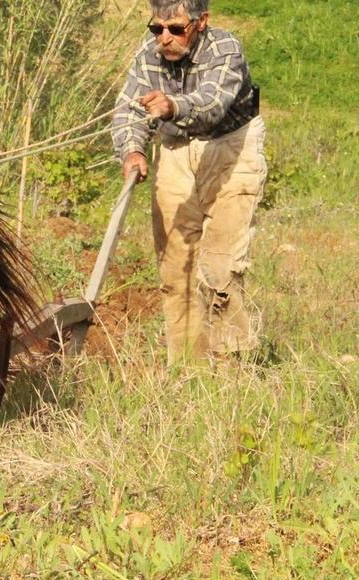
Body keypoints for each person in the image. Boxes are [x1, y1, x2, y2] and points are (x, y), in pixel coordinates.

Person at [112, 0, 267, 362]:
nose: (164, 38)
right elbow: (127, 110)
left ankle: (230, 367)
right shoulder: (147, 57)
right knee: (175, 268)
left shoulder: (225, 48)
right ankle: (186, 369)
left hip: (231, 147)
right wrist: (133, 151)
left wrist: (171, 106)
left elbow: (212, 103)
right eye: (157, 29)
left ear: (201, 23)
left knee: (220, 268)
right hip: (175, 151)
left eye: (175, 29)